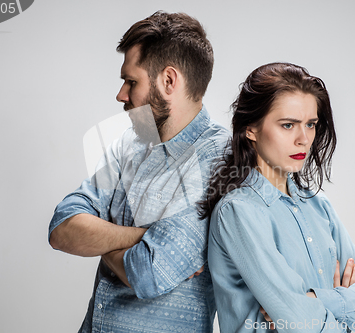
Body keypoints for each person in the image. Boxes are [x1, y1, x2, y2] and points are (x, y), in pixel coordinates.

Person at [48, 11, 229, 333]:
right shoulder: (129, 144)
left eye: (131, 81)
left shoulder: (220, 160)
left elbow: (148, 271)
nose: (121, 94)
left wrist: (102, 237)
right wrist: (147, 236)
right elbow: (62, 230)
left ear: (169, 81)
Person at [199, 63, 355, 332]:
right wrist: (344, 306)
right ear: (251, 128)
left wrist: (316, 300)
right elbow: (300, 323)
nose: (303, 139)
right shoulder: (238, 212)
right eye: (288, 125)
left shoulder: (320, 208)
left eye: (310, 124)